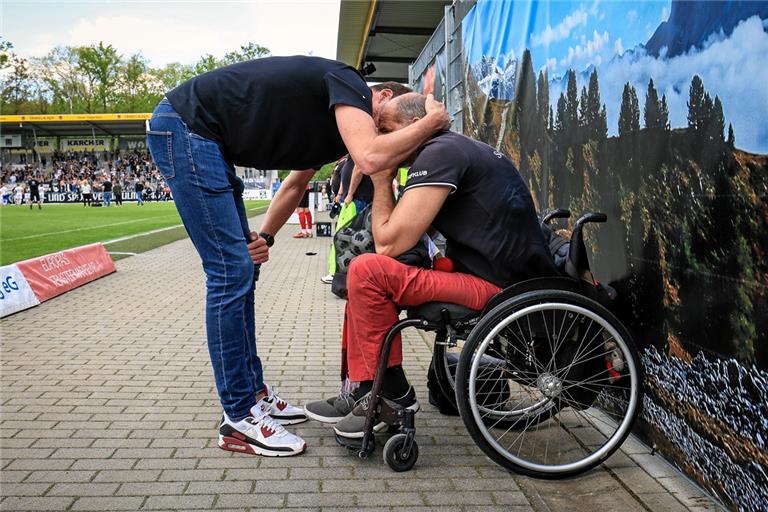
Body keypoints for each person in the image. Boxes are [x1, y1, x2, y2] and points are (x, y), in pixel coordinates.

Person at [146, 55, 449, 457]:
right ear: (384, 96)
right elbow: (373, 157)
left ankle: (252, 395)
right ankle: (238, 417)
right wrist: (431, 121)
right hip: (187, 128)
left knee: (243, 268)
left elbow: (294, 186)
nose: (388, 136)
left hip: (206, 141)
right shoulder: (350, 83)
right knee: (228, 274)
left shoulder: (335, 128)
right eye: (391, 127)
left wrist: (267, 239)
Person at [302, 93, 558, 438]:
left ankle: (393, 394)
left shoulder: (441, 153)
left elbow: (388, 242)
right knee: (359, 277)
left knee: (367, 269)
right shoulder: (448, 150)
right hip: (485, 275)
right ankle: (363, 388)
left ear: (415, 126)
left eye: (385, 129)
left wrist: (380, 179)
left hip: (502, 289)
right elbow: (404, 237)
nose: (378, 140)